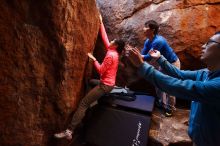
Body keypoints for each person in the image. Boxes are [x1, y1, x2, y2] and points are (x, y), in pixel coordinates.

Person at [128, 32, 220, 146]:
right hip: (199, 140)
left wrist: (142, 66)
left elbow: (176, 86)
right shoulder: (206, 73)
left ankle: (169, 109)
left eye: (209, 43)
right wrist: (160, 58)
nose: (203, 46)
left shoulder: (217, 85)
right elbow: (179, 74)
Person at [54, 16, 125, 140]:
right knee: (91, 81)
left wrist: (94, 59)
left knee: (83, 103)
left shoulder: (111, 55)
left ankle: (69, 131)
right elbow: (105, 38)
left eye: (113, 42)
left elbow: (101, 70)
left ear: (116, 46)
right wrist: (101, 22)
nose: (111, 42)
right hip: (108, 83)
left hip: (105, 86)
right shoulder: (114, 51)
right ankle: (94, 99)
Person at [141, 20, 180, 116]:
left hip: (172, 64)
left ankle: (170, 108)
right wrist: (138, 55)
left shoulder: (158, 41)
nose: (143, 29)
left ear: (152, 30)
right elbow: (143, 54)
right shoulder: (148, 40)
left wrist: (137, 56)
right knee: (158, 83)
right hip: (163, 64)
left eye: (146, 27)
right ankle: (162, 103)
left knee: (170, 86)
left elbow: (149, 57)